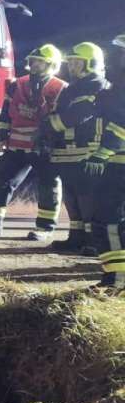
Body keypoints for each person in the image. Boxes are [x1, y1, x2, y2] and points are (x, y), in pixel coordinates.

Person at [0, 44, 66, 237]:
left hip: (44, 147)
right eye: (33, 61)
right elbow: (6, 112)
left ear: (51, 65)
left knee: (48, 186)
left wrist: (55, 144)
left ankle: (45, 228)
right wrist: (2, 136)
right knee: (1, 181)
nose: (34, 65)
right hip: (16, 145)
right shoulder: (17, 84)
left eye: (40, 62)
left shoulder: (59, 88)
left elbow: (62, 120)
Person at [42, 43, 108, 250]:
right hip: (67, 151)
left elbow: (77, 115)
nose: (72, 66)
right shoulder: (72, 88)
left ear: (91, 63)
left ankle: (93, 241)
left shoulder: (97, 85)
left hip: (86, 150)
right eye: (70, 62)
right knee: (72, 197)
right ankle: (76, 237)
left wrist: (48, 126)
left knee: (88, 198)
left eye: (77, 62)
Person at [87, 39, 125, 290]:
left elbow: (120, 126)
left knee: (108, 222)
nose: (115, 59)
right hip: (116, 164)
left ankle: (117, 281)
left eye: (120, 53)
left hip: (118, 165)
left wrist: (102, 153)